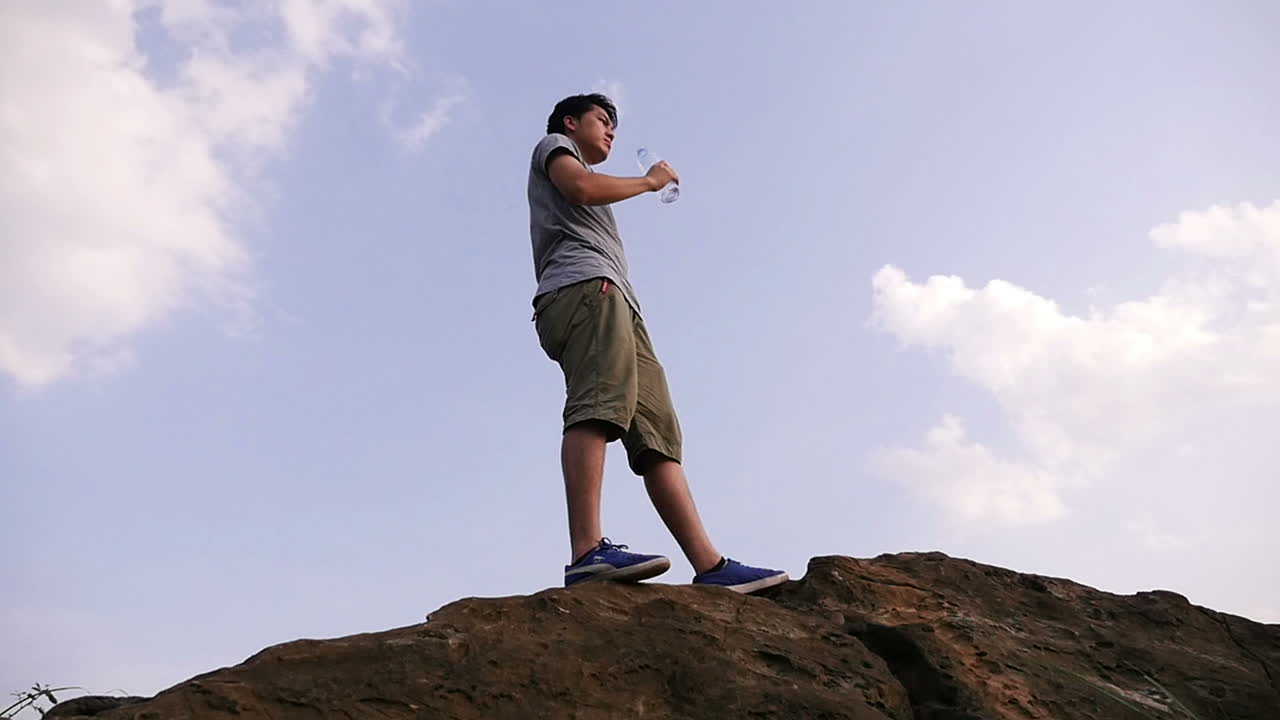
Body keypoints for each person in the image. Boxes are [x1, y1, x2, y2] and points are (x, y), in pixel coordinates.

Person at [527, 93, 788, 594]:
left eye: (613, 127)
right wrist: (649, 183)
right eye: (603, 122)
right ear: (570, 122)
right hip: (584, 289)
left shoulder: (583, 162)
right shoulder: (555, 146)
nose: (610, 133)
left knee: (656, 435)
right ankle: (586, 552)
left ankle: (711, 567)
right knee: (598, 405)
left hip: (619, 301)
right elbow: (579, 187)